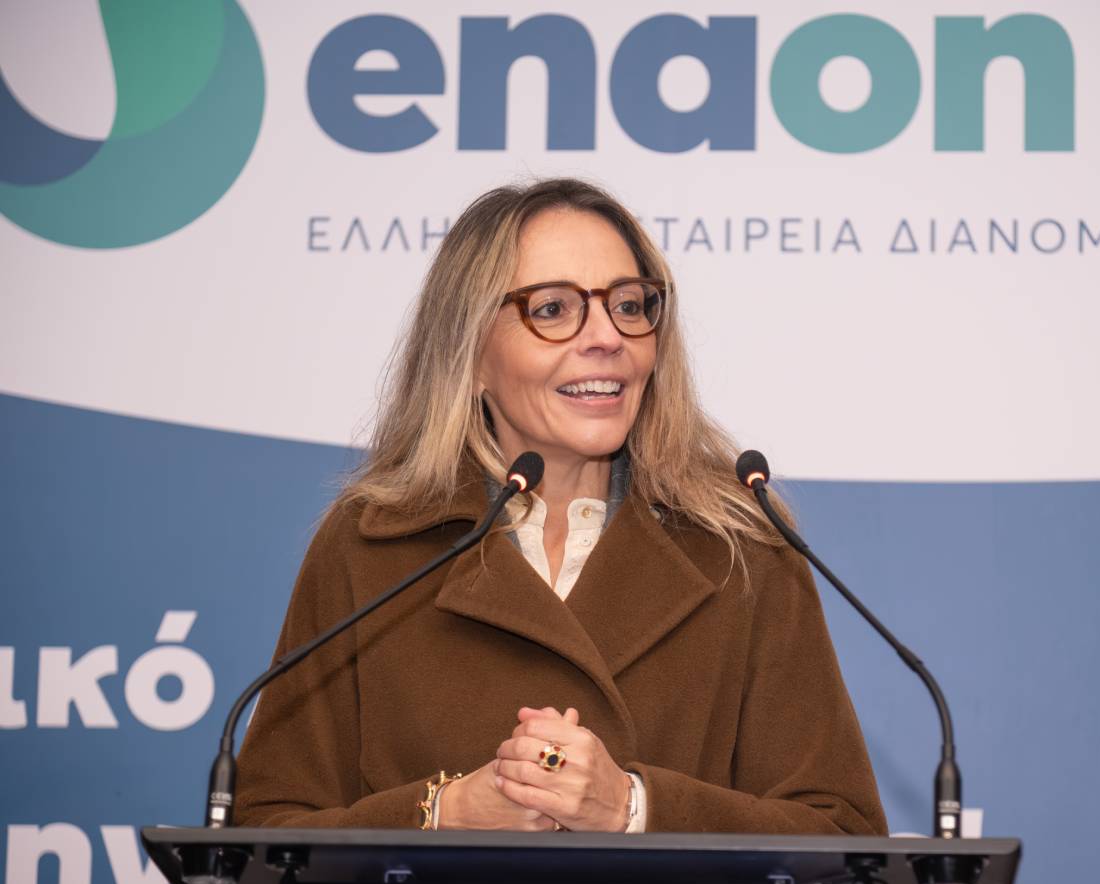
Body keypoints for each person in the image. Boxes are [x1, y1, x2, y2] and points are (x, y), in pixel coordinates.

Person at [234, 178, 887, 835]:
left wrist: (633, 808)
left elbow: (843, 837)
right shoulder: (371, 545)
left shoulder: (739, 547)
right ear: (470, 351)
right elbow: (263, 837)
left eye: (629, 305)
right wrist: (445, 813)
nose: (607, 336)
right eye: (552, 309)